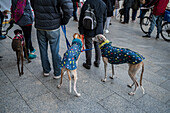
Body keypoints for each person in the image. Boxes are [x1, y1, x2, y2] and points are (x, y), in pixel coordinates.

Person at [30, 0, 73, 79]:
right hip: (53, 25)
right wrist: (63, 21)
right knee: (55, 50)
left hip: (40, 24)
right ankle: (57, 72)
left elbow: (33, 4)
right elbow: (68, 9)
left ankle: (46, 70)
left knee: (43, 49)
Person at [78, 0, 107, 69]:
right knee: (97, 45)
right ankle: (97, 62)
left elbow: (82, 16)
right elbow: (104, 18)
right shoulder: (103, 3)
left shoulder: (87, 2)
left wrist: (81, 29)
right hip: (99, 28)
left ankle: (88, 63)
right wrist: (101, 28)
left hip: (88, 28)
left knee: (88, 46)